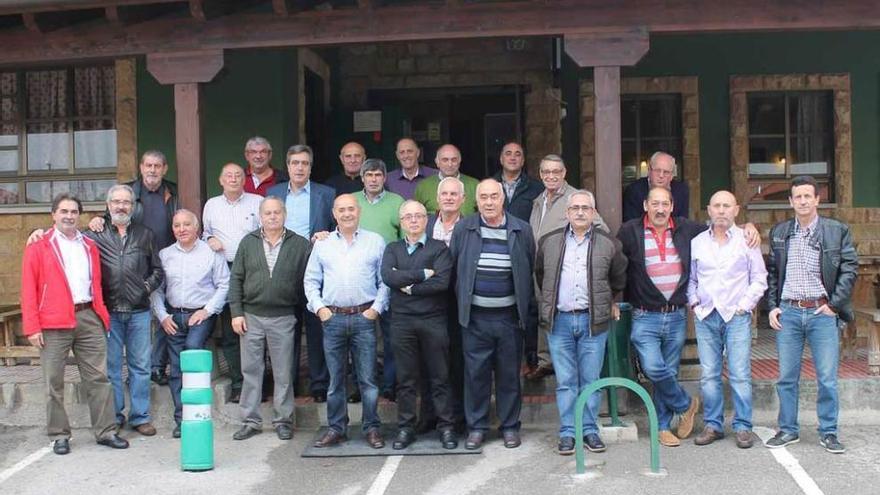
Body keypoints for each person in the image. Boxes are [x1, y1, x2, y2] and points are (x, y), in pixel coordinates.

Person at [21, 193, 129, 455]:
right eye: (63, 211)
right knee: (53, 381)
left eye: (73, 211)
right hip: (52, 321)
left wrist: (100, 314)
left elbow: (97, 282)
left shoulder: (88, 245)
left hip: (88, 315)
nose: (69, 216)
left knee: (99, 378)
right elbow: (28, 289)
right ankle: (59, 435)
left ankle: (106, 431)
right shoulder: (39, 245)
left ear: (78, 215)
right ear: (53, 215)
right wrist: (32, 327)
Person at [764, 176, 857, 454]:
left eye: (808, 196)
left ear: (817, 199)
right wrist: (772, 306)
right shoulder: (781, 232)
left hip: (821, 312)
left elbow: (849, 269)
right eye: (797, 197)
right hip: (789, 312)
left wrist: (834, 305)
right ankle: (788, 429)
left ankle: (828, 432)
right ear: (791, 201)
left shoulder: (836, 230)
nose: (802, 201)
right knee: (786, 377)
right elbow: (772, 274)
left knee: (827, 377)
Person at [535, 190, 627, 455]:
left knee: (590, 379)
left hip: (592, 321)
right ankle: (567, 432)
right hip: (560, 321)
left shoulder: (608, 244)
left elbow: (618, 276)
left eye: (585, 208)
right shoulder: (549, 241)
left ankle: (589, 430)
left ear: (593, 213)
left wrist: (608, 300)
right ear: (567, 213)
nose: (579, 212)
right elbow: (541, 274)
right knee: (565, 381)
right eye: (575, 208)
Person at [450, 179, 535, 450]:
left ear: (503, 199)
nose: (489, 202)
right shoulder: (465, 228)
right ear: (476, 200)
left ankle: (510, 426)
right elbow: (454, 268)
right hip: (475, 319)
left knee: (509, 375)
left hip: (509, 318)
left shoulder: (521, 229)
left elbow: (529, 267)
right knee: (476, 375)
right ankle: (477, 427)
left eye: (494, 196)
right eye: (483, 197)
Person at [304, 194, 390, 449]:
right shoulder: (323, 244)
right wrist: (320, 309)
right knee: (335, 380)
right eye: (341, 210)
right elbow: (310, 281)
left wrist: (376, 309)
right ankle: (336, 428)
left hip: (364, 318)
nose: (347, 213)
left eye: (351, 209)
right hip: (333, 319)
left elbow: (384, 280)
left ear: (359, 211)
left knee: (368, 380)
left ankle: (372, 428)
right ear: (334, 213)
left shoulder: (375, 241)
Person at [687, 191, 767, 449]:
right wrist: (694, 301)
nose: (721, 210)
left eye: (726, 206)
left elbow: (759, 278)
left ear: (736, 210)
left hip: (736, 317)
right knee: (709, 375)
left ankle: (743, 426)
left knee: (740, 374)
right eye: (716, 206)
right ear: (708, 210)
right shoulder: (697, 242)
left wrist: (744, 307)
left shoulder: (747, 240)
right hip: (706, 315)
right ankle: (713, 425)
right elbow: (692, 279)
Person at [228, 197, 311, 441]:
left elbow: (309, 279)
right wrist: (236, 313)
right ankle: (250, 421)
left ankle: (283, 420)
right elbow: (235, 280)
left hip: (283, 317)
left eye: (277, 212)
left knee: (284, 372)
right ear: (260, 216)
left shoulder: (300, 244)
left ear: (284, 215)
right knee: (251, 370)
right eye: (268, 213)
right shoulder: (248, 242)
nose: (273, 217)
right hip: (251, 316)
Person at [381, 200, 457, 449]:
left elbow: (442, 283)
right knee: (406, 379)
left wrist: (409, 288)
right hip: (402, 322)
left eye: (418, 216)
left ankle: (446, 427)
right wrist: (424, 274)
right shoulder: (392, 248)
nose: (414, 221)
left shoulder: (439, 249)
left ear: (427, 220)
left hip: (433, 319)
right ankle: (405, 428)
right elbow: (388, 276)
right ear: (401, 222)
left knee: (440, 376)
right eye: (408, 217)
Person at [89, 184, 164, 437]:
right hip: (108, 312)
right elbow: (66, 242)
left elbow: (157, 271)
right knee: (111, 368)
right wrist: (36, 233)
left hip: (139, 312)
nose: (121, 206)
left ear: (133, 207)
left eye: (126, 202)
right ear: (108, 205)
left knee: (141, 366)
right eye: (116, 202)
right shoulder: (94, 234)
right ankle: (116, 415)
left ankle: (140, 417)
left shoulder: (145, 234)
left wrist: (144, 288)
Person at [152, 209, 230, 439]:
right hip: (173, 316)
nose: (182, 229)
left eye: (187, 224)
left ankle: (199, 411)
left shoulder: (211, 253)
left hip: (201, 315)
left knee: (192, 352)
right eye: (177, 225)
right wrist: (163, 316)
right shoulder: (165, 255)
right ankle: (182, 419)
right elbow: (157, 290)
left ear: (197, 228)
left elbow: (224, 285)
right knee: (176, 369)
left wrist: (206, 311)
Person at [267, 144, 336, 403]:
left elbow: (335, 229)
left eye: (304, 163)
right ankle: (289, 384)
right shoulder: (273, 193)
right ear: (287, 166)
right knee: (286, 330)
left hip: (316, 269)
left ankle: (319, 384)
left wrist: (326, 236)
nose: (299, 167)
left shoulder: (326, 194)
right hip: (283, 268)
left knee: (317, 328)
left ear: (310, 166)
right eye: (295, 163)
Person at [202, 163, 262, 403]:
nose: (234, 179)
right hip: (225, 270)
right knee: (230, 329)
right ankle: (239, 384)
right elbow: (204, 233)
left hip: (253, 269)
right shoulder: (211, 205)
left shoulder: (257, 202)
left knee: (256, 329)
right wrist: (211, 238)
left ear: (244, 179)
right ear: (221, 179)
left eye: (238, 175)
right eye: (229, 175)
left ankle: (260, 383)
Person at [526, 154, 576, 381]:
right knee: (544, 314)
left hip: (564, 270)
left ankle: (563, 365)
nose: (551, 176)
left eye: (556, 172)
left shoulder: (575, 198)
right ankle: (546, 361)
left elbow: (598, 228)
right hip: (540, 269)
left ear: (564, 173)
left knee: (563, 316)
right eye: (546, 172)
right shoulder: (539, 201)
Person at [622, 151, 689, 222]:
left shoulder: (681, 191)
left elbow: (682, 224)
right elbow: (631, 225)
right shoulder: (633, 191)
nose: (661, 175)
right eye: (657, 170)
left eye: (666, 172)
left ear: (672, 176)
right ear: (649, 171)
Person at [414, 144, 479, 215]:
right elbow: (417, 215)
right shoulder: (423, 186)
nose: (450, 164)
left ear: (459, 162)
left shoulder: (475, 185)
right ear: (437, 162)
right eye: (445, 160)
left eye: (454, 160)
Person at [492, 141, 544, 222]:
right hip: (494, 234)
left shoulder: (537, 188)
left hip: (524, 234)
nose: (512, 158)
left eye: (517, 154)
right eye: (508, 154)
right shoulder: (489, 186)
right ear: (501, 159)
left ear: (523, 161)